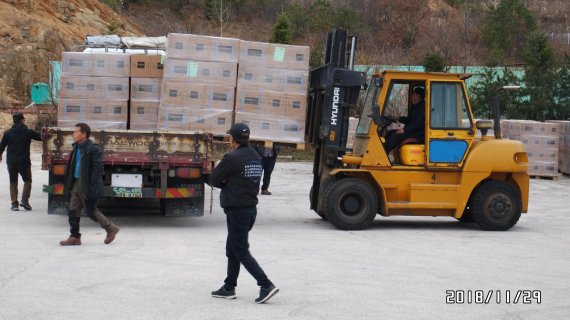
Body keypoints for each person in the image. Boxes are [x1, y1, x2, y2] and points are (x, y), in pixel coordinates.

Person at [209, 123, 279, 304]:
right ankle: (228, 287)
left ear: (232, 139)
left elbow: (214, 180)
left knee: (239, 250)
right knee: (232, 249)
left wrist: (224, 181)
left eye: (229, 137)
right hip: (249, 210)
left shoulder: (231, 157)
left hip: (237, 211)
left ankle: (266, 285)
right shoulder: (255, 155)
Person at [59, 123, 120, 246]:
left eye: (76, 131)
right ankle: (75, 237)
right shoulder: (76, 147)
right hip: (76, 183)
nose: (73, 134)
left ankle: (111, 228)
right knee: (73, 211)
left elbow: (97, 169)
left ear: (84, 134)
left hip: (87, 185)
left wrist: (91, 186)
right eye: (74, 131)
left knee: (91, 212)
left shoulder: (93, 148)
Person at [0, 112, 42, 211]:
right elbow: (40, 137)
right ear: (22, 120)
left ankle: (14, 204)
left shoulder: (7, 133)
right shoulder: (28, 132)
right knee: (27, 181)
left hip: (11, 162)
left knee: (13, 182)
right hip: (24, 162)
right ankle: (24, 201)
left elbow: (1, 146)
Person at [383, 86, 426, 155]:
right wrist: (398, 118)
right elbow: (409, 120)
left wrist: (405, 130)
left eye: (413, 94)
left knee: (396, 136)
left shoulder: (422, 108)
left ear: (418, 96)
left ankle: (383, 153)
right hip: (413, 131)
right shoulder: (416, 106)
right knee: (391, 132)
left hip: (418, 134)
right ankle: (383, 151)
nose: (411, 95)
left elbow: (418, 124)